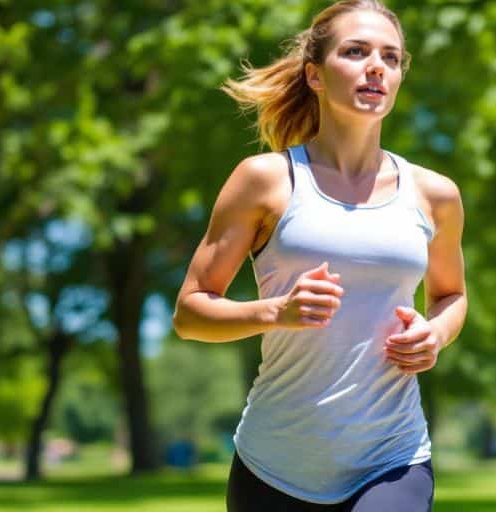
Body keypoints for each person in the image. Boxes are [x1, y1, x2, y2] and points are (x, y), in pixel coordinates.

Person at [171, 1, 467, 510]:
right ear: (315, 74)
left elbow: (452, 295)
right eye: (355, 52)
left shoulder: (435, 194)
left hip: (392, 456)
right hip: (275, 464)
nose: (376, 66)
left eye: (391, 58)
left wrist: (434, 334)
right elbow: (190, 312)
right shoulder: (265, 180)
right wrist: (276, 312)